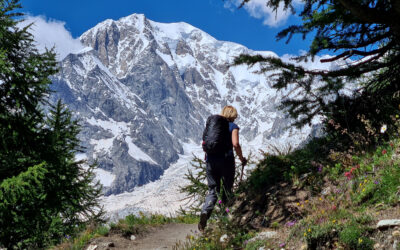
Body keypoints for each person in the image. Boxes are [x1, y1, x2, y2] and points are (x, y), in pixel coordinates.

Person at [198, 105, 247, 232]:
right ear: (233, 116)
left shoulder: (214, 126)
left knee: (212, 190)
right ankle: (225, 219)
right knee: (226, 190)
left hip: (210, 160)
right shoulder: (232, 126)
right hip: (226, 162)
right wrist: (242, 158)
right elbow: (235, 144)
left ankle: (205, 211)